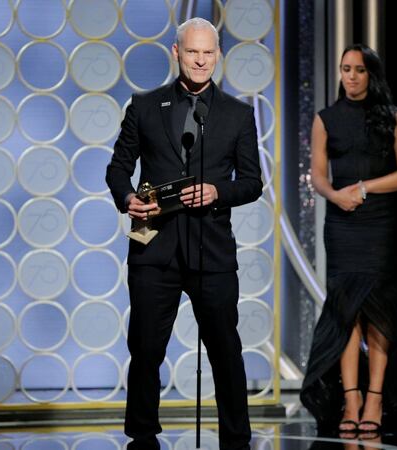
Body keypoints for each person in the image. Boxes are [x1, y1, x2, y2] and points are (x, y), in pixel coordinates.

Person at [105, 18, 261, 450]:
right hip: (153, 244)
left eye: (208, 53)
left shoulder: (238, 114)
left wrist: (216, 191)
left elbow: (252, 182)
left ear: (218, 55)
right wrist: (126, 198)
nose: (200, 60)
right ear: (177, 53)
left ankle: (236, 436)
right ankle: (142, 435)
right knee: (146, 348)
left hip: (211, 248)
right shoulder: (144, 106)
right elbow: (119, 168)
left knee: (226, 350)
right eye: (193, 52)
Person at [300, 43, 397, 435]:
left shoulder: (394, 118)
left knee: (378, 311)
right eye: (345, 69)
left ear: (371, 74)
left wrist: (365, 187)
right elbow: (318, 175)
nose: (351, 76)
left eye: (358, 69)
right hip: (342, 226)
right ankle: (351, 399)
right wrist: (336, 194)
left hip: (379, 224)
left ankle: (375, 399)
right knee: (345, 312)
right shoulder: (326, 119)